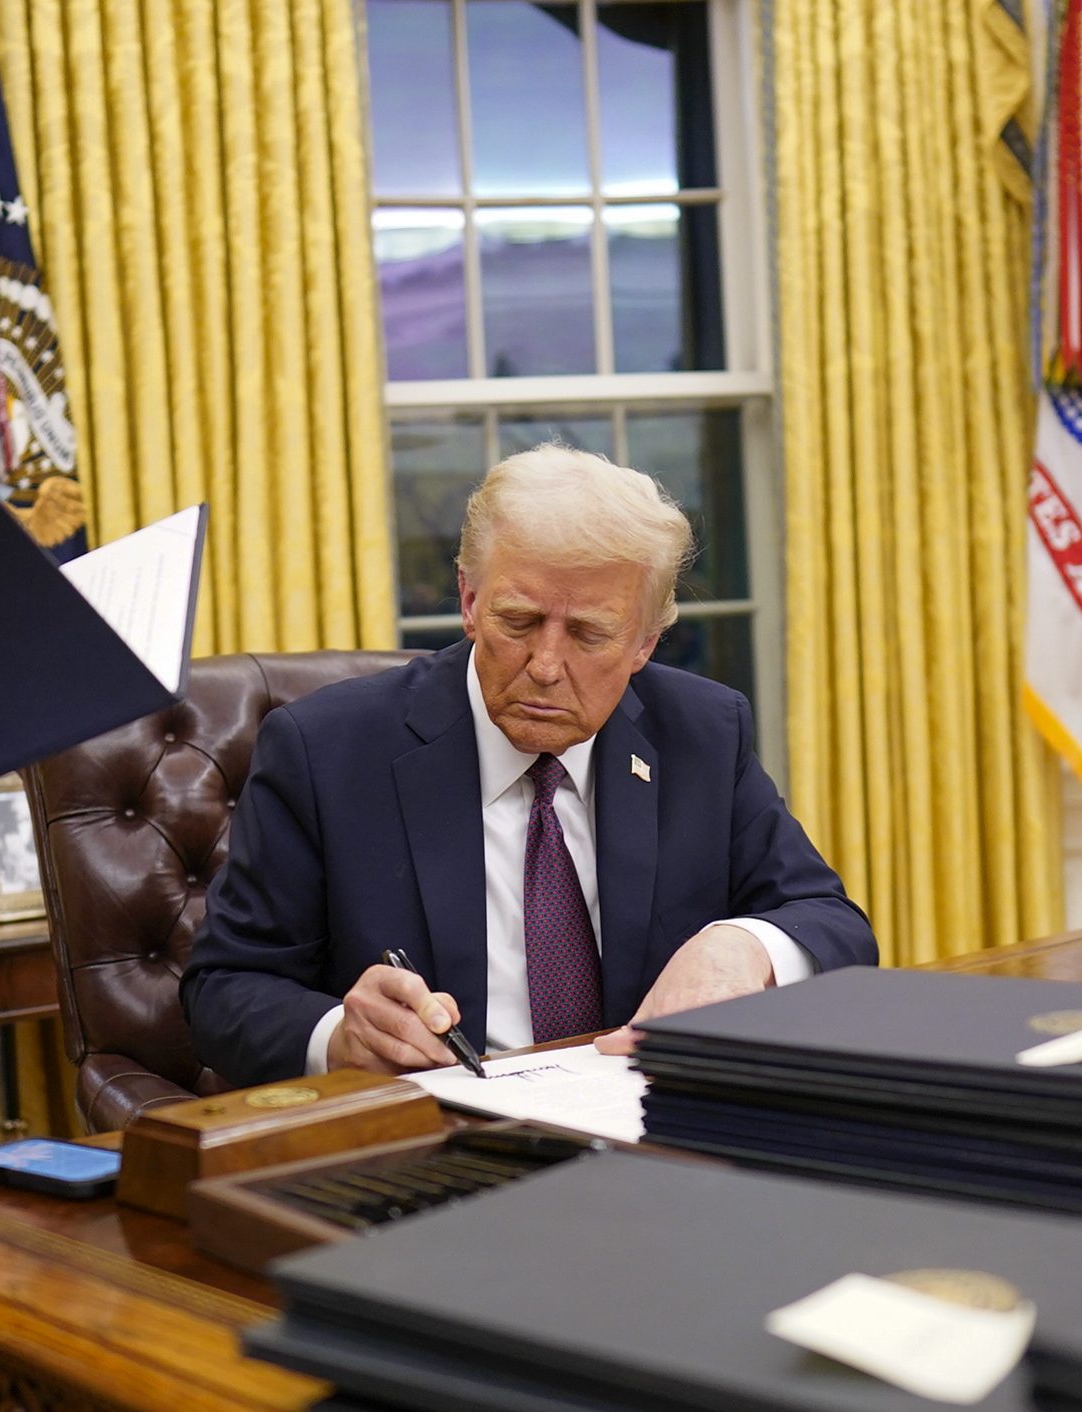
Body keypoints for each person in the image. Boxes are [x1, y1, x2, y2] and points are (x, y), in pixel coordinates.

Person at [181, 445, 876, 1087]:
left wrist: (742, 945)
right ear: (469, 601)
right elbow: (224, 988)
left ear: (645, 643)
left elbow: (833, 923)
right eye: (518, 622)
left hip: (650, 1134)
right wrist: (339, 1036)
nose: (545, 667)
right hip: (432, 1146)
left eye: (588, 634)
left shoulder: (701, 733)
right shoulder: (326, 750)